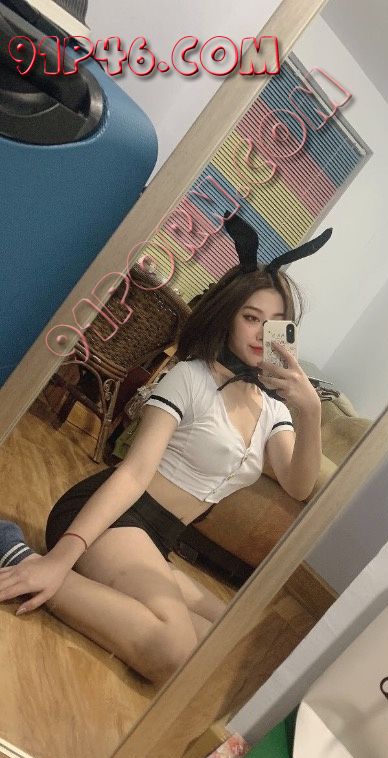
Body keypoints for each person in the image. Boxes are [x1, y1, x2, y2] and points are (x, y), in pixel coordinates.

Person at [0, 219, 331, 685]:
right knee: (172, 652)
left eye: (274, 323)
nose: (261, 333)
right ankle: (19, 555)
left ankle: (96, 587)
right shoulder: (192, 377)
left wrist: (310, 412)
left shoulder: (274, 410)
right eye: (251, 317)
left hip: (156, 539)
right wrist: (60, 561)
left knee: (217, 643)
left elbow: (298, 486)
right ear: (228, 317)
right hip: (116, 515)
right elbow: (133, 474)